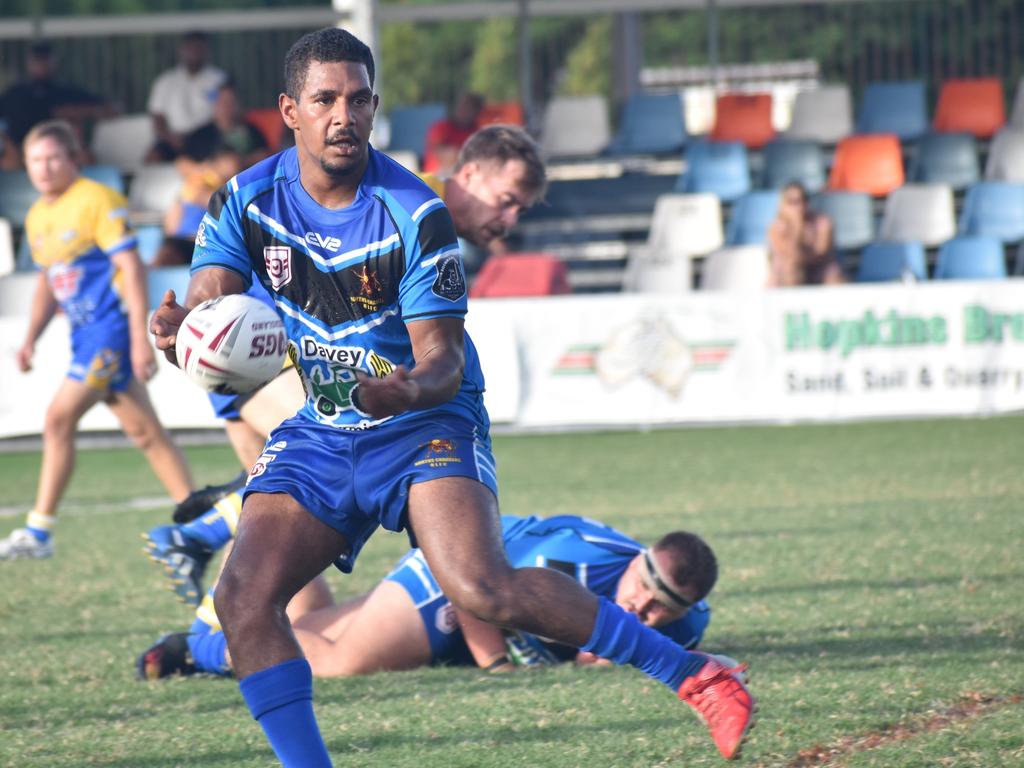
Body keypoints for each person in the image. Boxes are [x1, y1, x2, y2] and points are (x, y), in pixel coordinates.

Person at [148, 28, 754, 765]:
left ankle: (698, 675)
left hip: (425, 423)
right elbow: (215, 288)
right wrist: (187, 324)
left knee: (481, 588)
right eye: (326, 99)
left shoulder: (414, 213)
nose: (345, 114)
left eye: (360, 99)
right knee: (245, 603)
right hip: (327, 427)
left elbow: (442, 360)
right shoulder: (246, 198)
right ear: (290, 111)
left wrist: (402, 390)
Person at [143, 123, 548, 605]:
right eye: (506, 199)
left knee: (288, 564)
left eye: (521, 209)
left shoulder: (406, 204)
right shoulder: (410, 202)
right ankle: (200, 541)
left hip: (262, 357)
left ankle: (206, 615)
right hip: (256, 355)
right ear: (473, 172)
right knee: (331, 465)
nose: (510, 218)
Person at [139, 517, 718, 680]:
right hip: (449, 577)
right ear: (637, 560)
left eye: (665, 608)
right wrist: (495, 664)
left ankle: (265, 564)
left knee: (314, 624)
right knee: (340, 662)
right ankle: (201, 649)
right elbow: (480, 588)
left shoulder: (686, 627)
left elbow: (603, 650)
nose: (646, 611)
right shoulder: (570, 565)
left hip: (471, 583)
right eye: (644, 591)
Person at [0, 120, 195, 561]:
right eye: (35, 160)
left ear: (73, 159)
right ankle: (199, 525)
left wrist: (140, 340)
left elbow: (131, 267)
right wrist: (31, 336)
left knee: (57, 419)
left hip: (109, 334)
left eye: (53, 158)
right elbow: (49, 283)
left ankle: (39, 532)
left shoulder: (96, 199)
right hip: (83, 337)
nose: (44, 168)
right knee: (146, 434)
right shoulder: (37, 216)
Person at [0, 40, 116, 169]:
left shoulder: (65, 92)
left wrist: (73, 113)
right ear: (28, 63)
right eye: (37, 60)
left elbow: (111, 108)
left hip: (60, 147)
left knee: (83, 156)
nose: (41, 65)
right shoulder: (15, 94)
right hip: (19, 149)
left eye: (45, 60)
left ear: (53, 62)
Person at [146, 31, 226, 162]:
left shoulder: (218, 79)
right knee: (152, 158)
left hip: (207, 138)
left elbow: (225, 114)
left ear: (206, 51)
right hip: (172, 139)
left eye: (199, 48)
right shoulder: (165, 81)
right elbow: (157, 116)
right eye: (191, 48)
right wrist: (168, 137)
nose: (195, 52)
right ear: (181, 50)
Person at [766, 181, 843, 287]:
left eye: (802, 199)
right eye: (792, 202)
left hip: (816, 268)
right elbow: (789, 254)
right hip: (788, 273)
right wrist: (797, 226)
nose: (798, 206)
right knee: (789, 269)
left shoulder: (822, 223)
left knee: (833, 274)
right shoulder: (776, 227)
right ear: (783, 204)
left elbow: (820, 252)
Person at [181, 80, 270, 167]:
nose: (226, 107)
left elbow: (265, 156)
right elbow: (183, 161)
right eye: (222, 102)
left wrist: (241, 161)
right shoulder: (201, 134)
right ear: (214, 105)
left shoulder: (251, 130)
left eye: (231, 102)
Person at [422, 91, 484, 175]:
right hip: (436, 178)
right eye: (462, 105)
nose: (463, 110)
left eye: (469, 107)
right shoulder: (440, 127)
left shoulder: (478, 132)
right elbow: (444, 155)